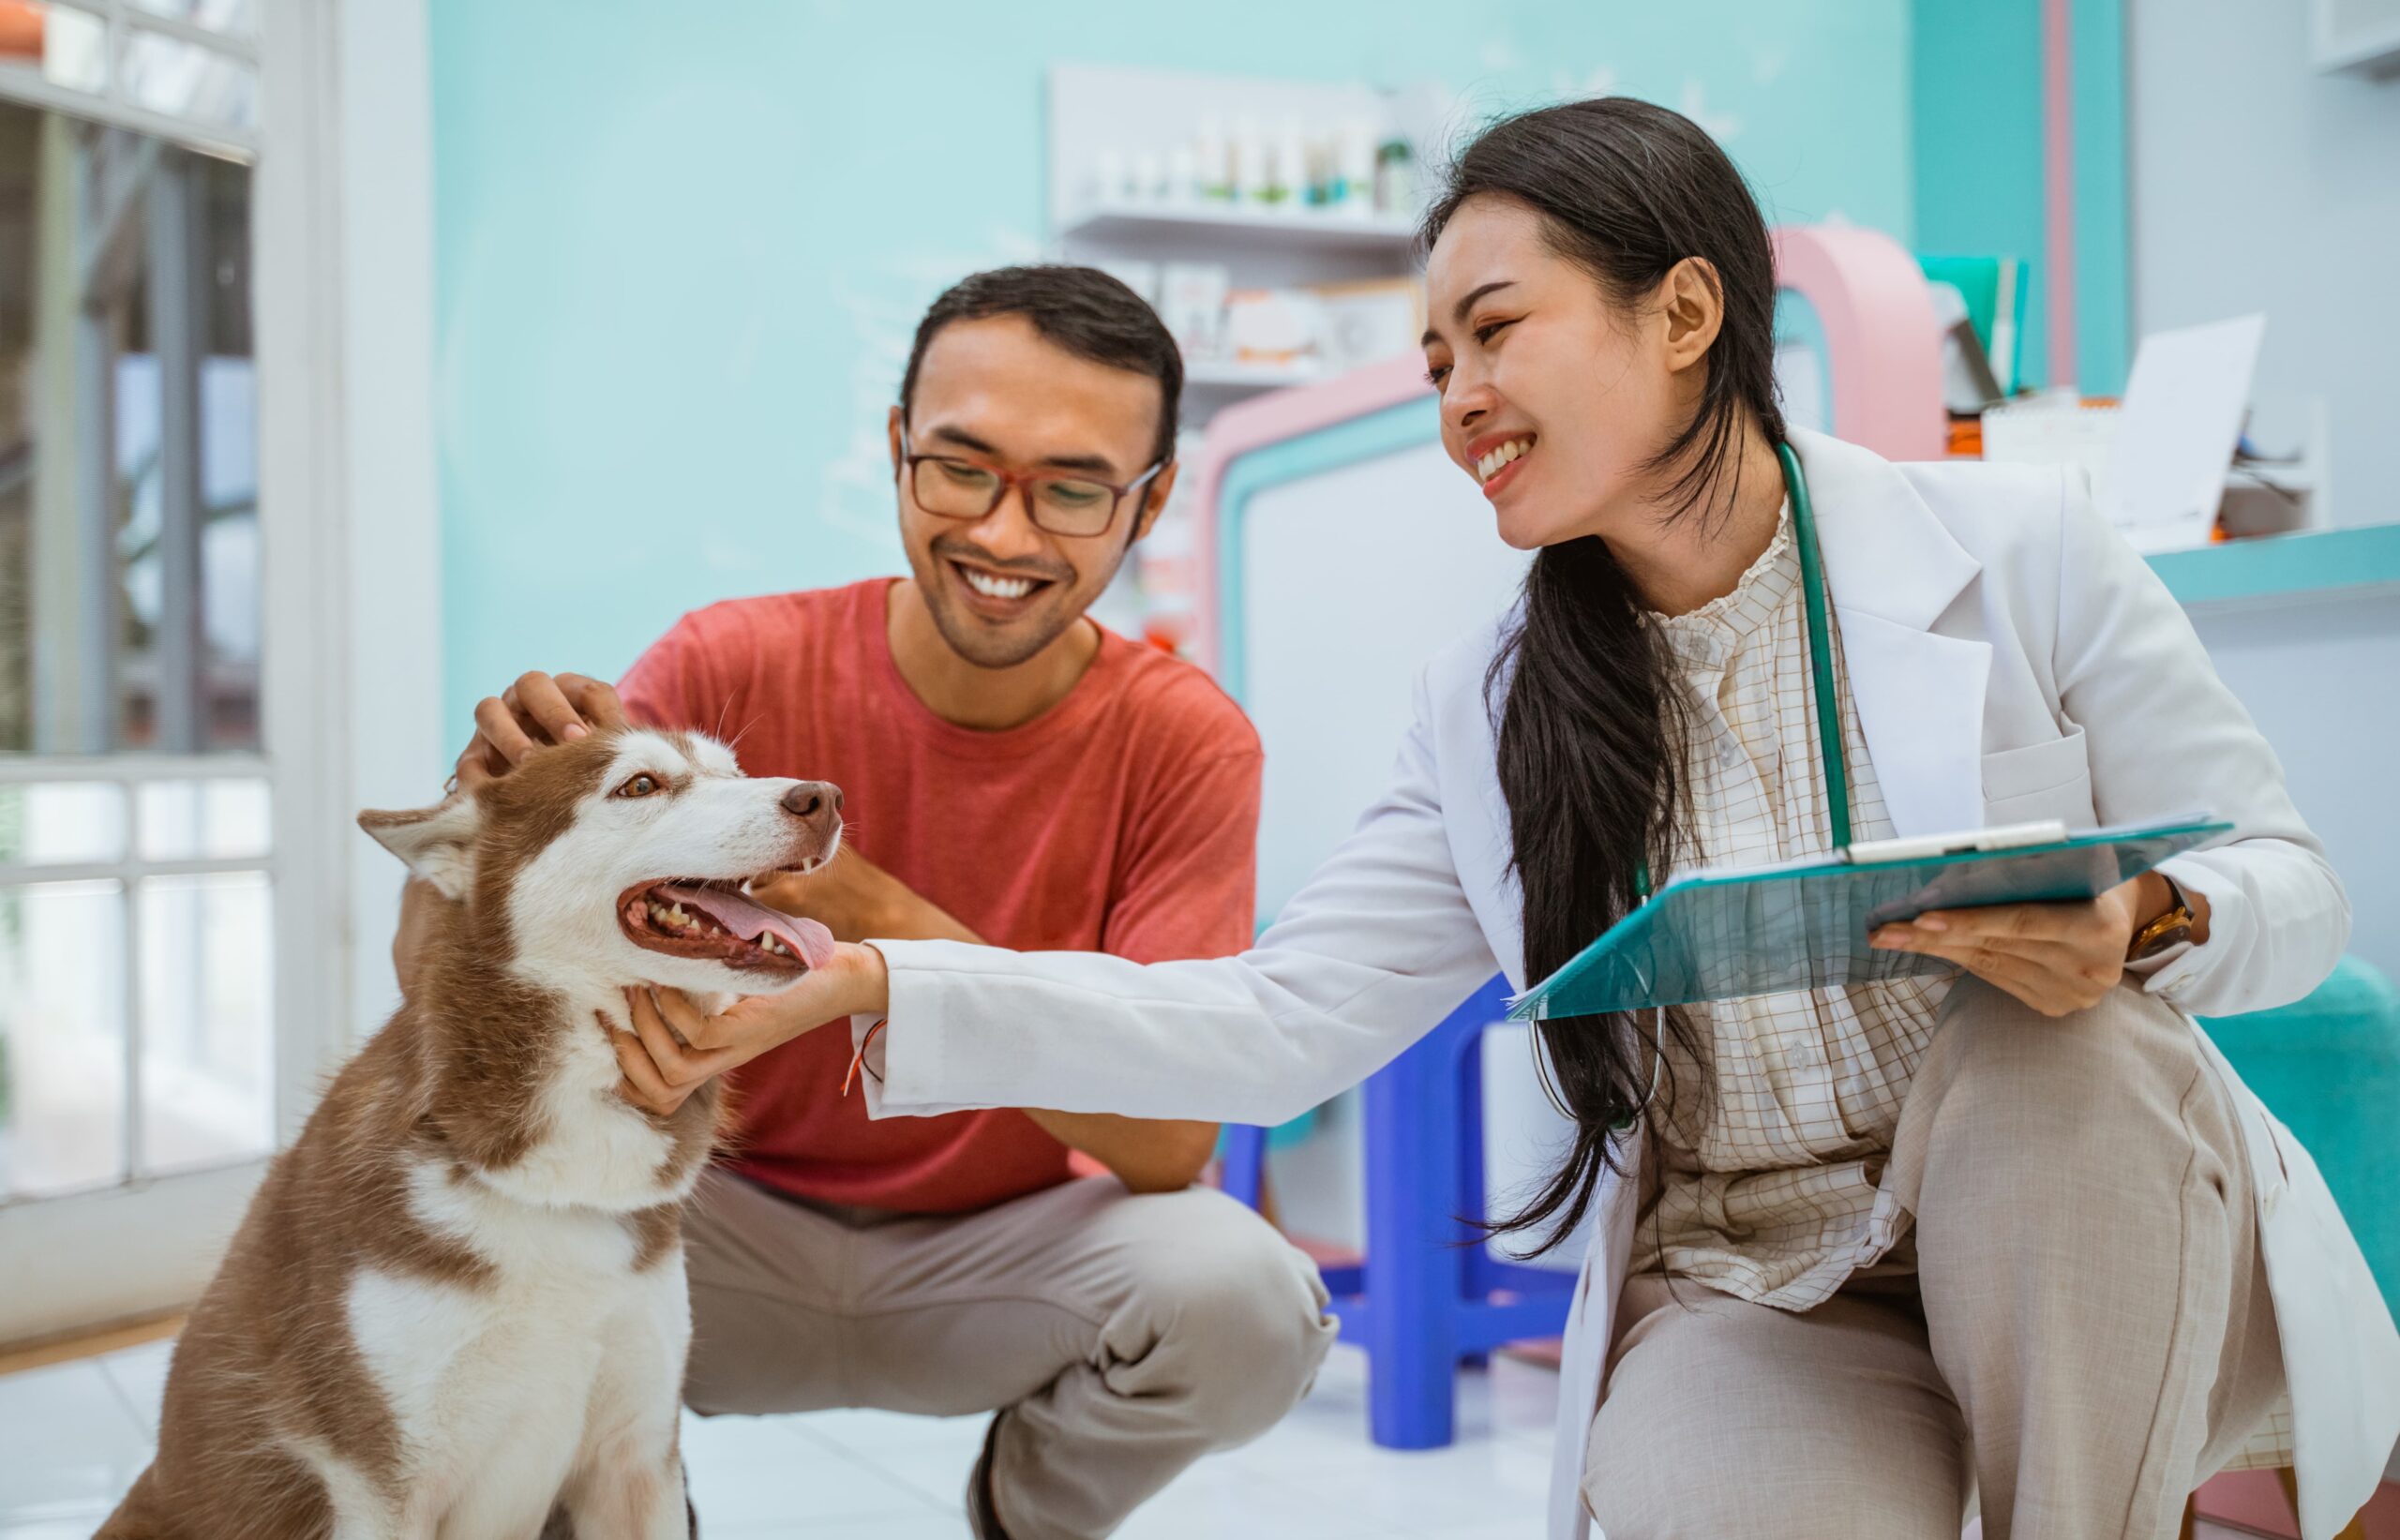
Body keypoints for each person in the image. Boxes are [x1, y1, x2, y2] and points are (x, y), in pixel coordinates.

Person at [598, 100, 2400, 1540]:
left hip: (2060, 1207)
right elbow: (1278, 1019)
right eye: (1435, 356)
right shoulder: (1489, 702)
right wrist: (879, 989)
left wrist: (2143, 926)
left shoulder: (2026, 552)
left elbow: (2291, 886)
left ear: (1685, 314)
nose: (1456, 399)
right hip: (1759, 1285)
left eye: (1494, 333)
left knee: (2048, 1057)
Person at [423, 265, 1337, 1540]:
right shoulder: (730, 662)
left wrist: (862, 914)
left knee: (1246, 1298)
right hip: (713, 1230)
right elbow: (476, 1009)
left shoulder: (1184, 742)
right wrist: (487, 826)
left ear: (1152, 501)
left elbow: (1169, 1145)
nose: (1007, 537)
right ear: (898, 449)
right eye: (961, 469)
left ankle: (1029, 1515)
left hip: (1006, 1259)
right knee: (490, 1236)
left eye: (1072, 490)